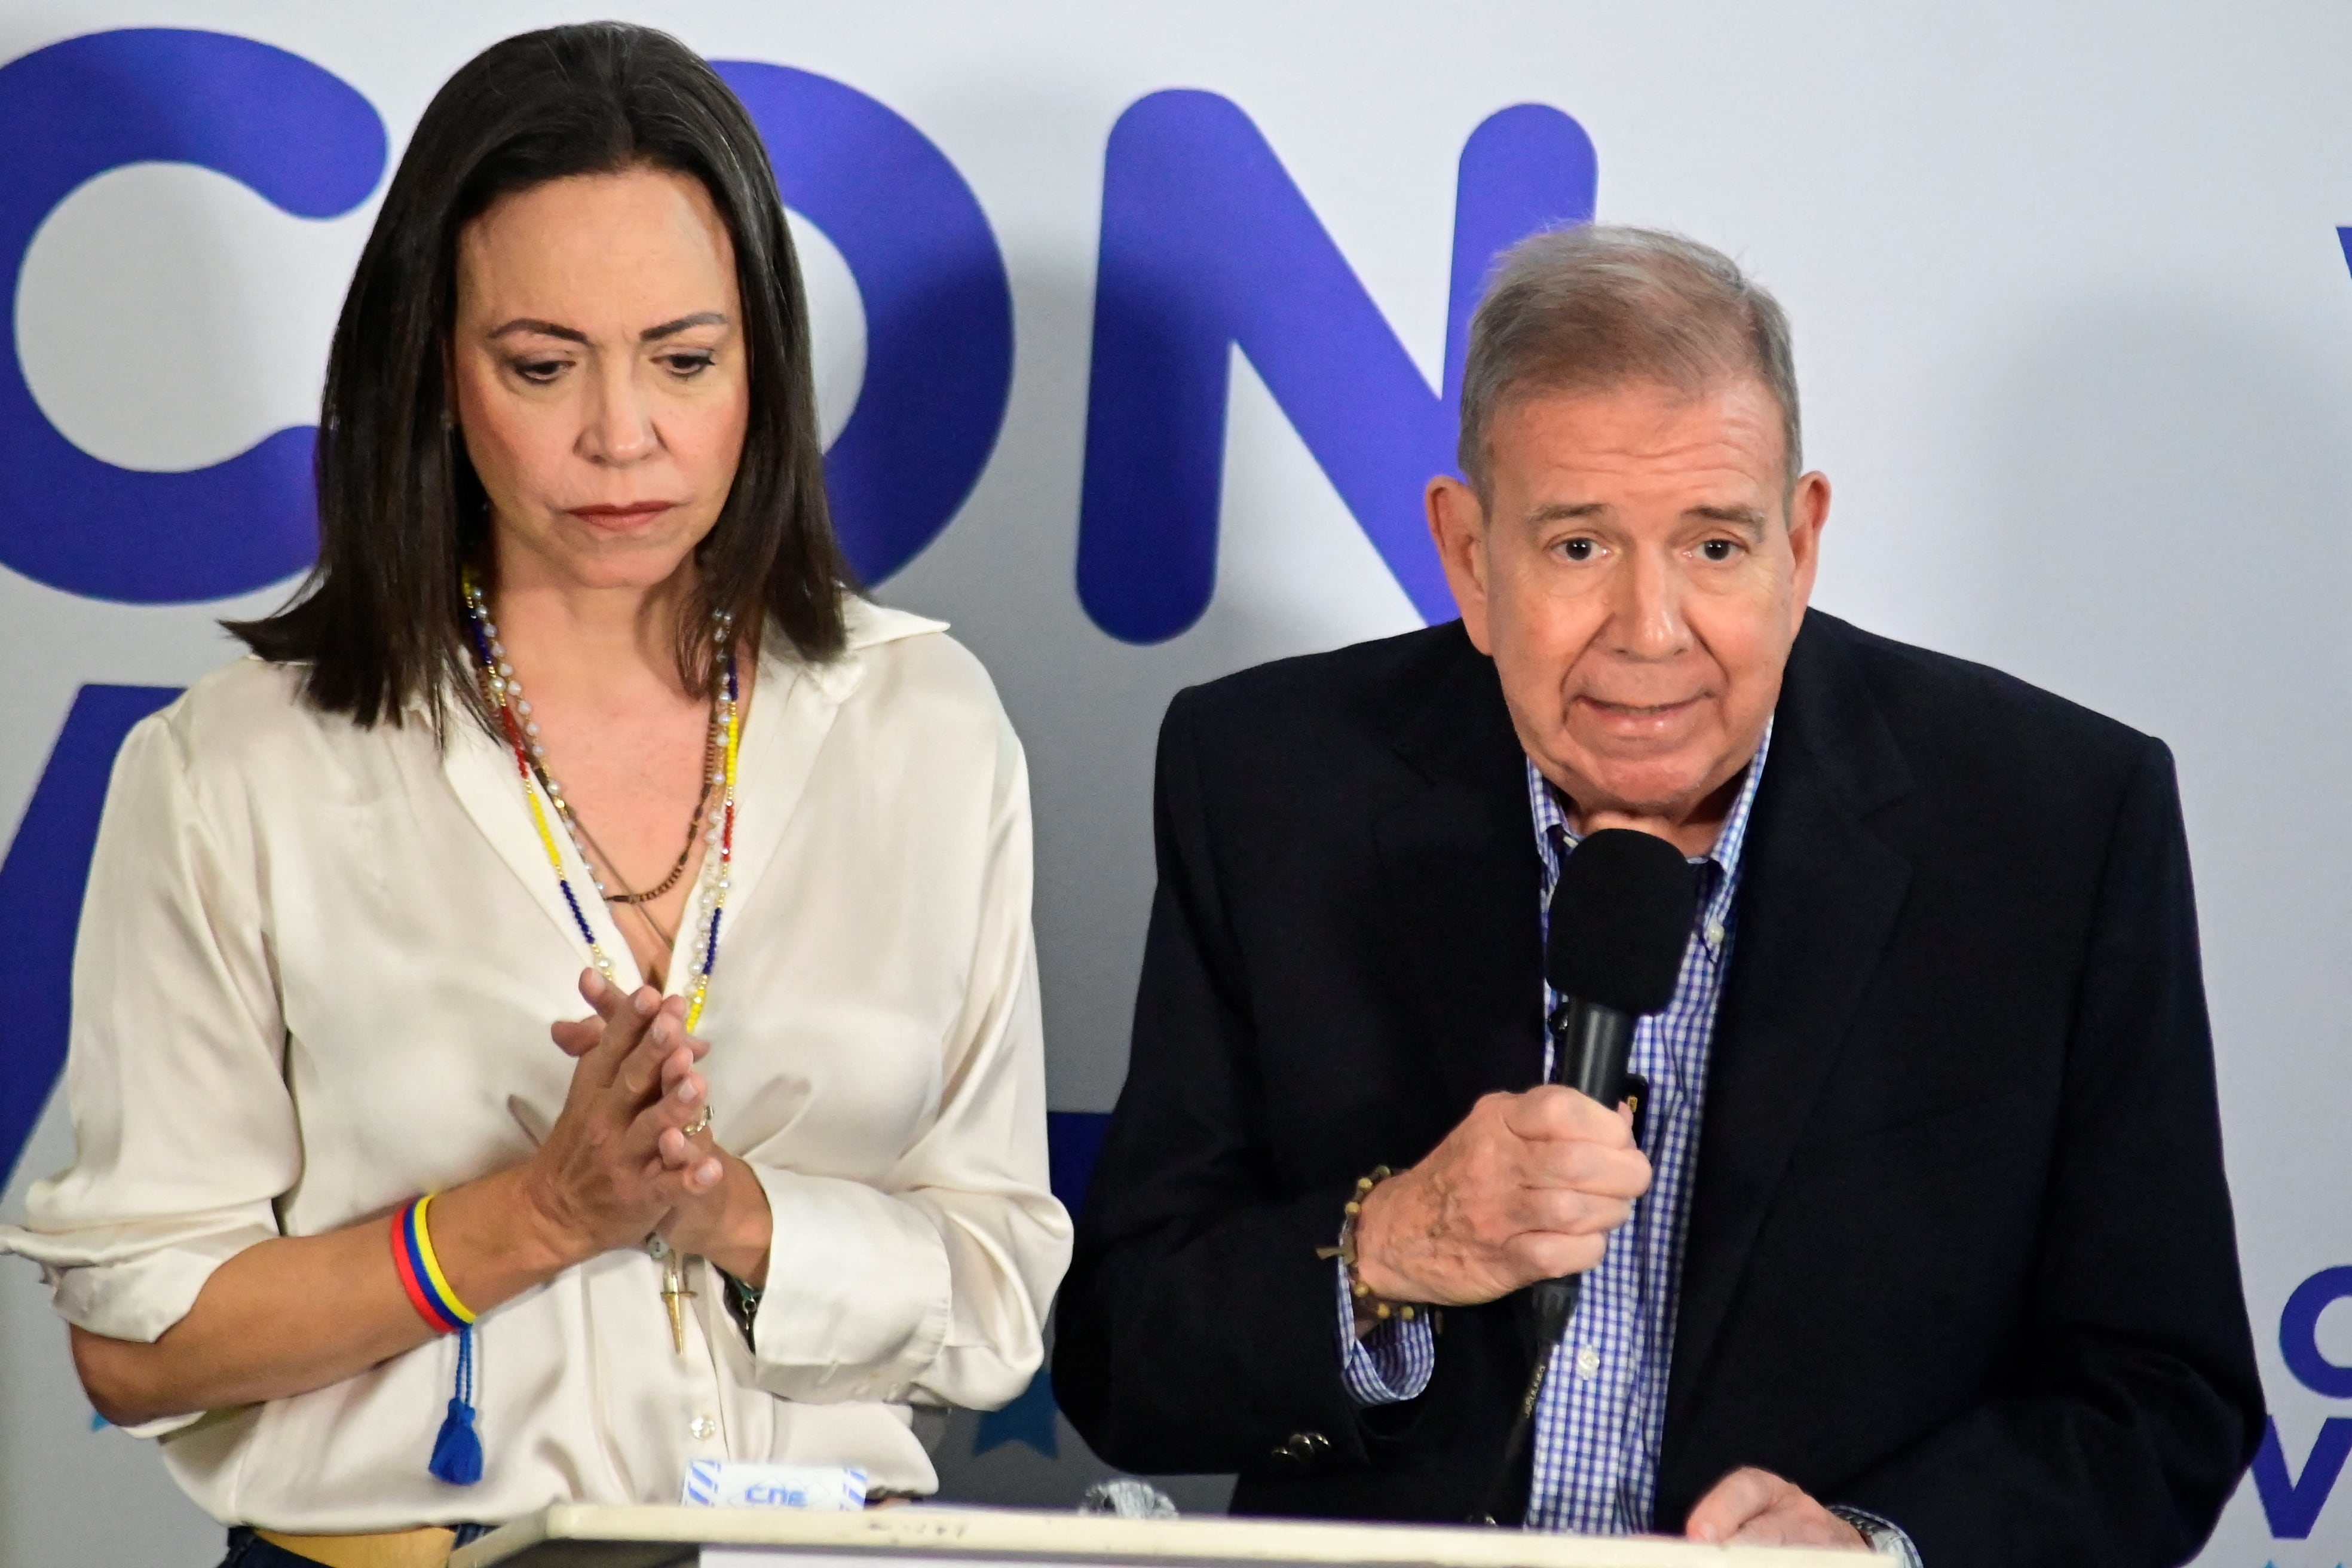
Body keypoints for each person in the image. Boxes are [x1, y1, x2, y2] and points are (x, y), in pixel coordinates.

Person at [0, 23, 1067, 1566]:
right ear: (433, 367)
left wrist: (733, 1213)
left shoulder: (926, 723)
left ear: (763, 364)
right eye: (543, 365)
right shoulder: (236, 766)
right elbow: (143, 1340)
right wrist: (540, 1217)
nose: (621, 437)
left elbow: (998, 1290)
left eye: (685, 361)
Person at [1053, 226, 2261, 1566]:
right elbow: (1124, 1357)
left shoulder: (2054, 823)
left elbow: (2166, 1400)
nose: (1649, 628)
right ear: (1468, 556)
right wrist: (1388, 1246)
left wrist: (1879, 1548)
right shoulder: (1274, 784)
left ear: (1800, 544)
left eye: (1715, 547)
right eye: (1578, 546)